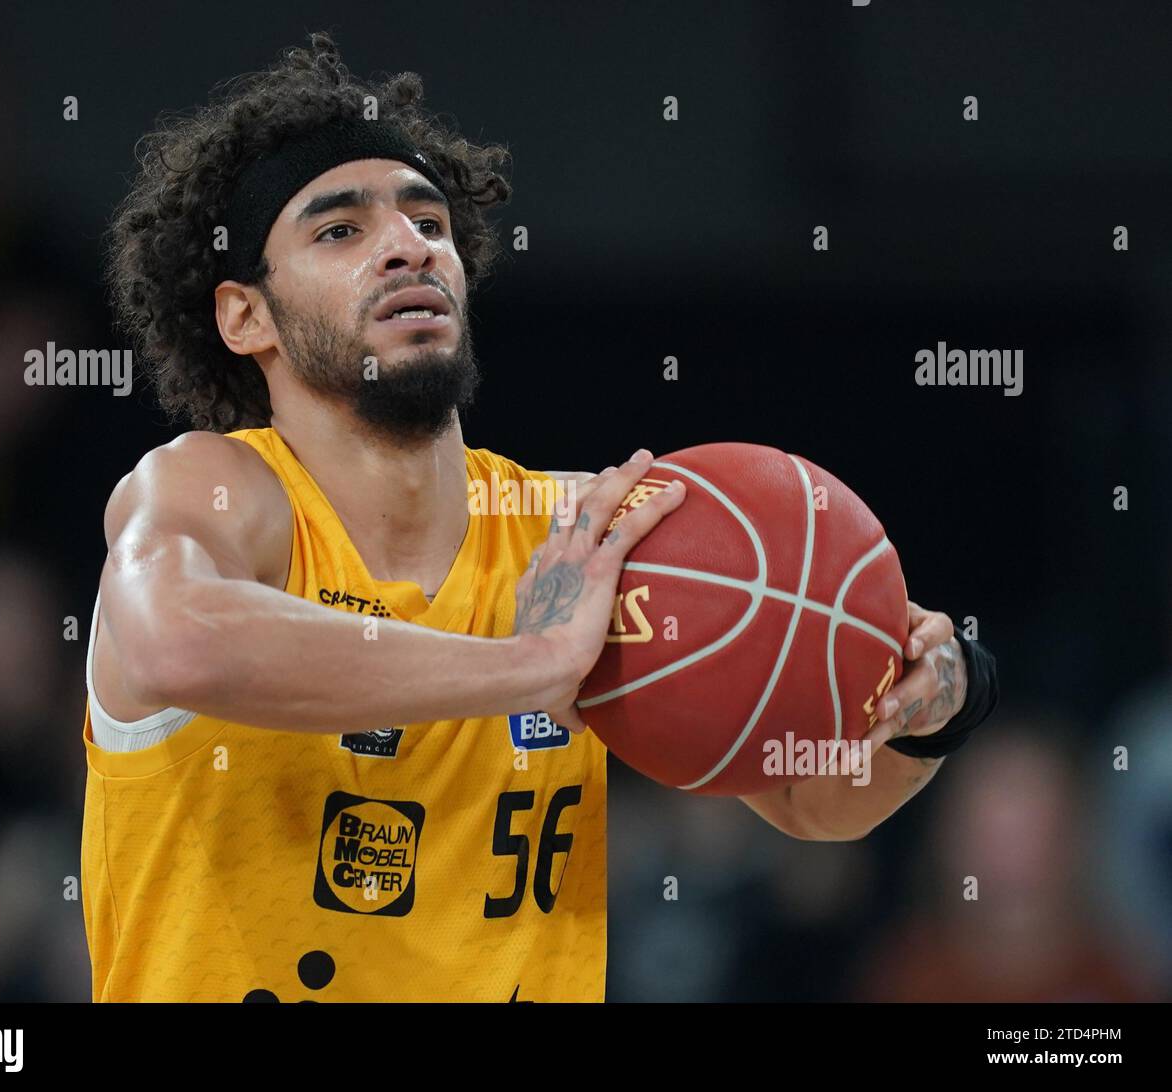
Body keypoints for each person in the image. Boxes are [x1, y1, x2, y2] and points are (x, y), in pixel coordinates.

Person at [83, 32, 997, 1001]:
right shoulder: (209, 491)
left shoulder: (581, 530)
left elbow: (808, 802)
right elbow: (174, 644)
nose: (405, 246)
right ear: (244, 317)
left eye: (428, 222)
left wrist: (931, 711)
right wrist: (528, 667)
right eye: (339, 231)